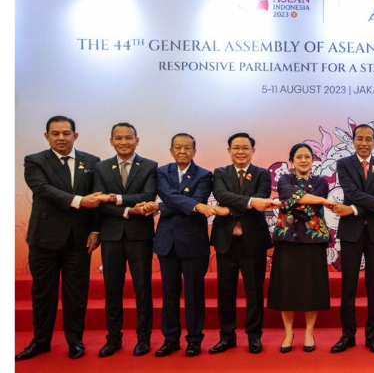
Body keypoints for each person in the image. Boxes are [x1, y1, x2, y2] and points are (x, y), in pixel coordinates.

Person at [16, 116, 102, 361]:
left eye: (66, 133)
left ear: (76, 135)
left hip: (79, 240)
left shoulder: (92, 162)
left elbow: (96, 201)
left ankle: (75, 341)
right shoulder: (34, 161)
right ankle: (40, 341)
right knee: (43, 293)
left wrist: (95, 231)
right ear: (47, 136)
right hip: (44, 240)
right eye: (55, 133)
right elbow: (43, 189)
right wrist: (78, 201)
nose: (61, 138)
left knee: (77, 293)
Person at [147, 133, 225, 357]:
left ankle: (194, 340)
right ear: (171, 151)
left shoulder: (204, 175)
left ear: (194, 151)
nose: (182, 151)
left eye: (187, 148)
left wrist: (162, 207)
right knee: (169, 293)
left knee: (194, 294)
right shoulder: (161, 172)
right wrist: (191, 206)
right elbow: (171, 196)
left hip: (194, 243)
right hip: (167, 243)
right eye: (178, 148)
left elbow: (189, 200)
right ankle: (170, 339)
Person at [329, 124, 374, 354]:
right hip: (351, 233)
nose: (364, 142)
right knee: (348, 286)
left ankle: (372, 336)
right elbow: (351, 193)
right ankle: (347, 335)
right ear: (353, 141)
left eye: (368, 139)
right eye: (359, 138)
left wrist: (354, 209)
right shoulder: (344, 164)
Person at [209, 133, 278, 354]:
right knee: (225, 291)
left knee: (254, 291)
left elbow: (262, 198)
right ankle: (227, 336)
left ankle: (254, 336)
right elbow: (221, 194)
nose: (241, 152)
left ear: (253, 151)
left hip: (253, 241)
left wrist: (229, 207)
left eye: (245, 148)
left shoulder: (262, 174)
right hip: (225, 241)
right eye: (236, 148)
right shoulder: (220, 173)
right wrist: (249, 202)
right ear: (229, 150)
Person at [93, 122, 158, 357]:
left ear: (137, 140)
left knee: (142, 288)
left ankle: (143, 339)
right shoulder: (100, 167)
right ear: (111, 141)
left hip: (140, 236)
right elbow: (99, 201)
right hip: (111, 236)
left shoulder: (150, 166)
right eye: (118, 138)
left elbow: (147, 196)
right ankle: (113, 338)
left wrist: (114, 198)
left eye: (128, 138)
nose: (123, 142)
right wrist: (128, 209)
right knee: (112, 289)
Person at [268, 143, 336, 353]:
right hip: (287, 240)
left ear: (313, 160)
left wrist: (295, 201)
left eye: (307, 156)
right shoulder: (284, 179)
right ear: (292, 161)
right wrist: (319, 200)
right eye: (299, 157)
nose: (303, 160)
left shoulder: (321, 181)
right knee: (286, 288)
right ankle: (289, 333)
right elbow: (289, 196)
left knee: (311, 287)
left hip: (313, 240)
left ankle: (309, 332)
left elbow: (294, 200)